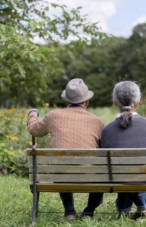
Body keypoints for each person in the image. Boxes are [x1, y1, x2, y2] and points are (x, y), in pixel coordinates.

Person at [27, 78, 105, 220]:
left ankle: (69, 211)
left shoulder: (54, 116)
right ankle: (88, 212)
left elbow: (34, 130)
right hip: (90, 176)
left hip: (59, 176)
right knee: (100, 173)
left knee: (62, 166)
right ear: (86, 102)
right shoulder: (98, 121)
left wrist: (32, 114)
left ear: (66, 101)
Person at [84, 81, 146, 221]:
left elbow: (104, 163)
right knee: (139, 171)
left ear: (115, 102)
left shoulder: (107, 130)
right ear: (137, 102)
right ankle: (142, 205)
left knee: (123, 172)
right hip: (145, 177)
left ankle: (123, 208)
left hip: (118, 179)